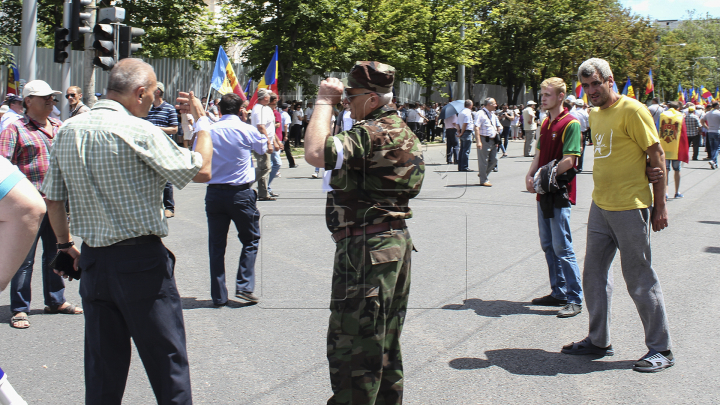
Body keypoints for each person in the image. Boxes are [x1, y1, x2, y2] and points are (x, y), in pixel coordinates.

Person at [41, 58, 213, 403]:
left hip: (93, 260)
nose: (152, 102)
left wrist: (65, 245)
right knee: (167, 362)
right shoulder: (140, 130)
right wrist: (204, 123)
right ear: (138, 93)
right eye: (151, 95)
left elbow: (54, 200)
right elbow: (202, 169)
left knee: (104, 366)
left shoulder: (68, 130)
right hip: (141, 261)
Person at [304, 61, 425, 405]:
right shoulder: (401, 130)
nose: (347, 102)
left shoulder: (372, 132)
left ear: (372, 99)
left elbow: (315, 153)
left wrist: (324, 100)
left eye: (351, 96)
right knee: (383, 346)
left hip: (366, 249)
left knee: (354, 348)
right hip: (392, 245)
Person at [562, 58, 674, 373]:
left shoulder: (634, 111)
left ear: (610, 80)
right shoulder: (594, 114)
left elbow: (657, 155)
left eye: (596, 83)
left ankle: (661, 349)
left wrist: (660, 205)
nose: (591, 91)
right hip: (601, 205)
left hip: (631, 205)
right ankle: (599, 340)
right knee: (593, 275)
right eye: (585, 86)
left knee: (639, 278)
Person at [0, 80, 82, 329]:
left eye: (52, 97)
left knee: (58, 251)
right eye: (44, 97)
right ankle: (20, 308)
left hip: (56, 204)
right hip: (27, 207)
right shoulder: (14, 130)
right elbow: (3, 165)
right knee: (24, 257)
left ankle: (56, 301)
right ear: (27, 101)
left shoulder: (59, 126)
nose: (51, 100)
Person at [204, 93, 270, 306]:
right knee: (250, 239)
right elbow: (263, 149)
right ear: (241, 110)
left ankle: (218, 295)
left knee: (216, 245)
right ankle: (244, 286)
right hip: (240, 193)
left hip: (214, 193)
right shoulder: (246, 129)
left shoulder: (209, 130)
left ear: (220, 109)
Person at [525, 77, 583, 318]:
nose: (543, 98)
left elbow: (570, 160)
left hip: (560, 193)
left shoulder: (571, 123)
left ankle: (575, 297)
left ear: (560, 96)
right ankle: (558, 291)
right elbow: (538, 154)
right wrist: (530, 175)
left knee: (563, 247)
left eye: (548, 94)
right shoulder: (546, 122)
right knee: (548, 245)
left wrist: (544, 175)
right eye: (542, 94)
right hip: (544, 193)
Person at [0, 156, 46, 293]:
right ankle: (21, 307)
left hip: (49, 200)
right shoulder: (12, 133)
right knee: (25, 263)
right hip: (12, 201)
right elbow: (28, 206)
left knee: (50, 256)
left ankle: (55, 300)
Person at [143, 82, 179, 218]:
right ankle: (152, 206)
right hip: (149, 147)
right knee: (149, 177)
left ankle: (169, 207)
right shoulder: (147, 109)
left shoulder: (169, 109)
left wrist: (156, 129)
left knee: (166, 178)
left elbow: (174, 129)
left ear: (158, 92)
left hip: (164, 148)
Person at [659, 101, 689, 198]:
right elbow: (683, 133)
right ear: (678, 108)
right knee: (677, 169)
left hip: (664, 147)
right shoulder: (680, 116)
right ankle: (677, 192)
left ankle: (665, 193)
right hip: (676, 149)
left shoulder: (662, 115)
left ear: (668, 106)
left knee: (666, 170)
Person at [250, 88, 276, 201]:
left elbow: (270, 127)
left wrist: (275, 141)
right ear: (265, 97)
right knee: (265, 167)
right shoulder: (259, 109)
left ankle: (263, 193)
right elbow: (261, 126)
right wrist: (269, 142)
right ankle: (244, 183)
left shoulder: (265, 108)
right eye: (269, 95)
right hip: (260, 142)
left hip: (265, 140)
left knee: (263, 167)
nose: (270, 97)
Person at [474, 98, 501, 186]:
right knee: (483, 161)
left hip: (493, 140)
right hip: (484, 139)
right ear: (488, 105)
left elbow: (497, 125)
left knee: (494, 160)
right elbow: (476, 127)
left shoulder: (492, 114)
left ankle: (483, 174)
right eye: (494, 104)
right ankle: (483, 180)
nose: (496, 105)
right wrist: (478, 142)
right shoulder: (480, 113)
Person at [267, 95, 283, 197]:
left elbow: (271, 131)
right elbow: (266, 129)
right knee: (274, 164)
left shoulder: (271, 112)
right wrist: (273, 142)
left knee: (273, 164)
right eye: (276, 101)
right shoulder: (267, 112)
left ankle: (266, 187)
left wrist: (277, 141)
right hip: (267, 141)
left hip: (273, 140)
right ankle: (264, 186)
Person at [569, 99, 590, 171]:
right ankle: (580, 167)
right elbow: (588, 125)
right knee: (581, 150)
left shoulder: (572, 112)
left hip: (573, 132)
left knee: (572, 149)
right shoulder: (585, 114)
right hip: (583, 132)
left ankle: (572, 165)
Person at [457, 100, 475, 172]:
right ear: (470, 105)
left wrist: (459, 131)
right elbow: (465, 123)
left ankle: (460, 166)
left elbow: (457, 123)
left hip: (462, 130)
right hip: (466, 131)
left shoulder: (461, 112)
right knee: (466, 150)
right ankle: (464, 166)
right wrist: (462, 132)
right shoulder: (468, 113)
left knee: (462, 150)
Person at [701, 101, 720, 169]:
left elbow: (702, 120)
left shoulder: (708, 113)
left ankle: (715, 163)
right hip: (717, 131)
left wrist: (706, 127)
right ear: (717, 106)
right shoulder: (718, 113)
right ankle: (712, 160)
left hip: (710, 131)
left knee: (713, 148)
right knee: (717, 148)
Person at [281, 103, 297, 168]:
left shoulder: (280, 114)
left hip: (279, 132)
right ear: (286, 108)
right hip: (284, 132)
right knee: (287, 149)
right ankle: (292, 163)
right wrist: (286, 135)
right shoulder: (286, 115)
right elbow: (285, 125)